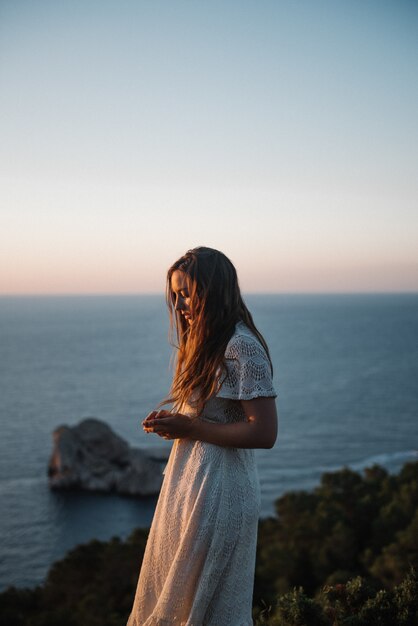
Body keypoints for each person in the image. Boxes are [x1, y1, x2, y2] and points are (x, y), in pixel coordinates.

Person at [127, 246, 278, 626]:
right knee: (176, 596)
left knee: (200, 606)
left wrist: (191, 427)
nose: (179, 305)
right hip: (188, 483)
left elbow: (265, 431)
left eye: (187, 293)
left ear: (215, 290)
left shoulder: (241, 346)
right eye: (175, 295)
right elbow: (209, 413)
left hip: (221, 488)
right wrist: (175, 421)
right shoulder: (204, 340)